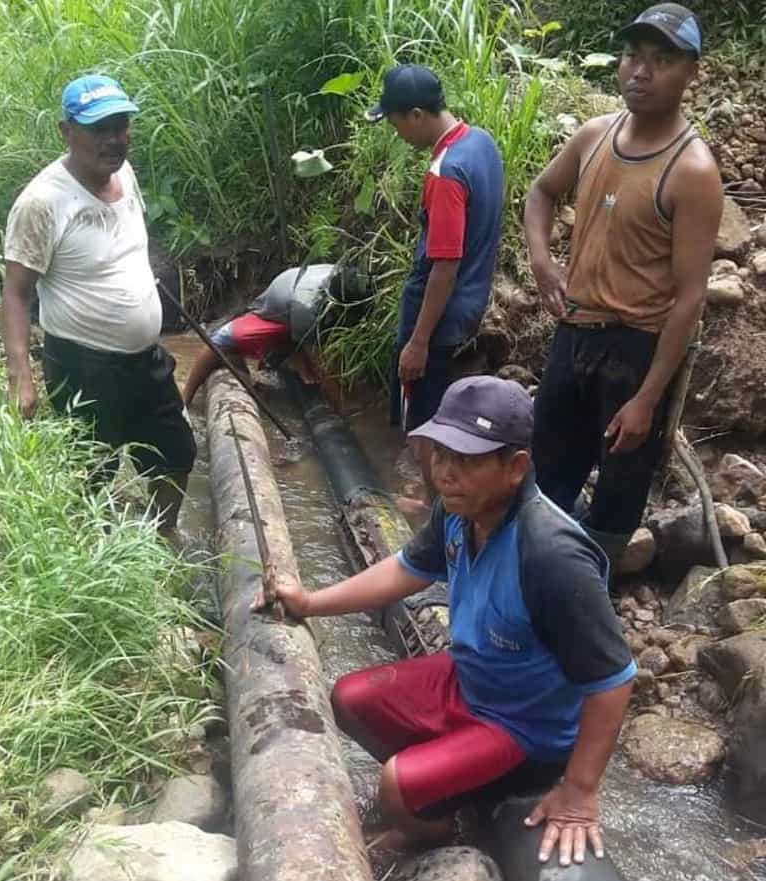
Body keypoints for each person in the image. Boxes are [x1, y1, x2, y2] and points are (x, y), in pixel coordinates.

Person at [255, 375, 636, 867]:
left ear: (515, 467)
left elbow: (613, 679)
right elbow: (406, 569)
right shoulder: (459, 512)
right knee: (349, 698)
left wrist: (580, 792)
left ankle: (438, 836)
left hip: (526, 726)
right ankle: (446, 797)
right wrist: (309, 602)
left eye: (467, 460)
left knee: (396, 785)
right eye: (441, 454)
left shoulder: (550, 555)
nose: (445, 473)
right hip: (472, 676)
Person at [525, 3, 724, 570]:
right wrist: (542, 261)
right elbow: (541, 193)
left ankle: (595, 584)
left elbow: (689, 297)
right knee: (546, 469)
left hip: (636, 348)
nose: (641, 70)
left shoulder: (692, 172)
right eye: (633, 55)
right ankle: (536, 573)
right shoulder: (595, 135)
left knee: (619, 485)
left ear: (692, 72)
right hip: (574, 333)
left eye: (661, 60)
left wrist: (647, 398)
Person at [2, 74, 196, 531]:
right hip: (83, 366)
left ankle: (160, 538)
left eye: (120, 125)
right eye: (98, 129)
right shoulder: (42, 202)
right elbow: (16, 292)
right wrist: (20, 376)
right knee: (90, 475)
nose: (113, 139)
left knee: (177, 455)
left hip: (144, 359)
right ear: (66, 131)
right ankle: (90, 551)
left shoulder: (123, 173)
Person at [366, 64, 504, 500]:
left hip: (438, 314)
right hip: (468, 304)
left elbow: (444, 264)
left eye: (396, 123)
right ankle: (443, 499)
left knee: (422, 421)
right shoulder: (480, 142)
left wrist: (418, 341)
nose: (397, 133)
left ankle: (434, 509)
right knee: (444, 410)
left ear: (417, 115)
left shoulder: (446, 173)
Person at [181, 263, 368, 408]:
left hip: (299, 288)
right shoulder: (306, 307)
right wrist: (342, 406)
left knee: (312, 351)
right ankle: (185, 398)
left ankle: (298, 369)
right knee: (222, 340)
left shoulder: (349, 279)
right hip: (277, 306)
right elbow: (320, 363)